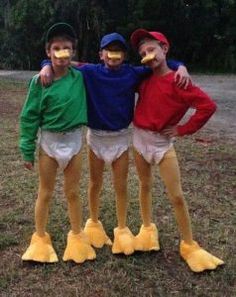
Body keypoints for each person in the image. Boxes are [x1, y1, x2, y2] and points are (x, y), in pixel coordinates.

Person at [40, 32, 191, 256]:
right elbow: (61, 60)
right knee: (95, 183)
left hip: (121, 137)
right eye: (109, 51)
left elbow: (158, 64)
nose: (114, 55)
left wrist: (181, 66)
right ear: (101, 54)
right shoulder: (89, 71)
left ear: (124, 55)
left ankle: (121, 228)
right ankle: (92, 222)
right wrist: (45, 64)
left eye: (118, 51)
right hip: (96, 137)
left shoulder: (132, 73)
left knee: (121, 186)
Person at [130, 28, 224, 272]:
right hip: (139, 138)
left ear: (165, 49)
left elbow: (207, 106)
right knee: (144, 185)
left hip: (162, 144)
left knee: (177, 196)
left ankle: (189, 244)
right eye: (142, 52)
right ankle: (147, 229)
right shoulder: (143, 79)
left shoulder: (180, 81)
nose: (147, 55)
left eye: (151, 49)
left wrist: (183, 129)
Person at [19, 23, 96, 264]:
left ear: (73, 52)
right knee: (45, 192)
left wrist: (178, 64)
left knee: (73, 192)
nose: (61, 52)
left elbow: (106, 68)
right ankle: (40, 238)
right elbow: (29, 116)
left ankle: (77, 236)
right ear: (48, 51)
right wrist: (27, 149)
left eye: (67, 48)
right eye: (56, 48)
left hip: (74, 142)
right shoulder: (39, 82)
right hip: (48, 145)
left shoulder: (81, 77)